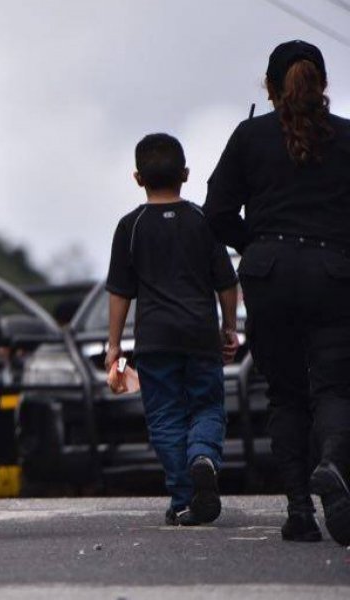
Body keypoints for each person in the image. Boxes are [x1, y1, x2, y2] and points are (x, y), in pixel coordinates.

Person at [204, 40, 350, 545]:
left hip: (269, 277)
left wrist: (259, 247)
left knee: (286, 396)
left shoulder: (249, 137)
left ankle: (298, 512)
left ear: (268, 87)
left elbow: (217, 212)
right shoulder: (347, 138)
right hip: (333, 276)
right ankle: (333, 463)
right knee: (334, 388)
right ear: (324, 84)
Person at [105, 133, 240, 527]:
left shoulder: (130, 226)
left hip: (155, 340)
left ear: (137, 178)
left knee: (165, 416)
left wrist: (114, 346)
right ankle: (202, 456)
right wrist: (228, 328)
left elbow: (119, 292)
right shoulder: (202, 221)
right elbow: (226, 282)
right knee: (208, 406)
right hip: (200, 336)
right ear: (185, 174)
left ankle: (183, 499)